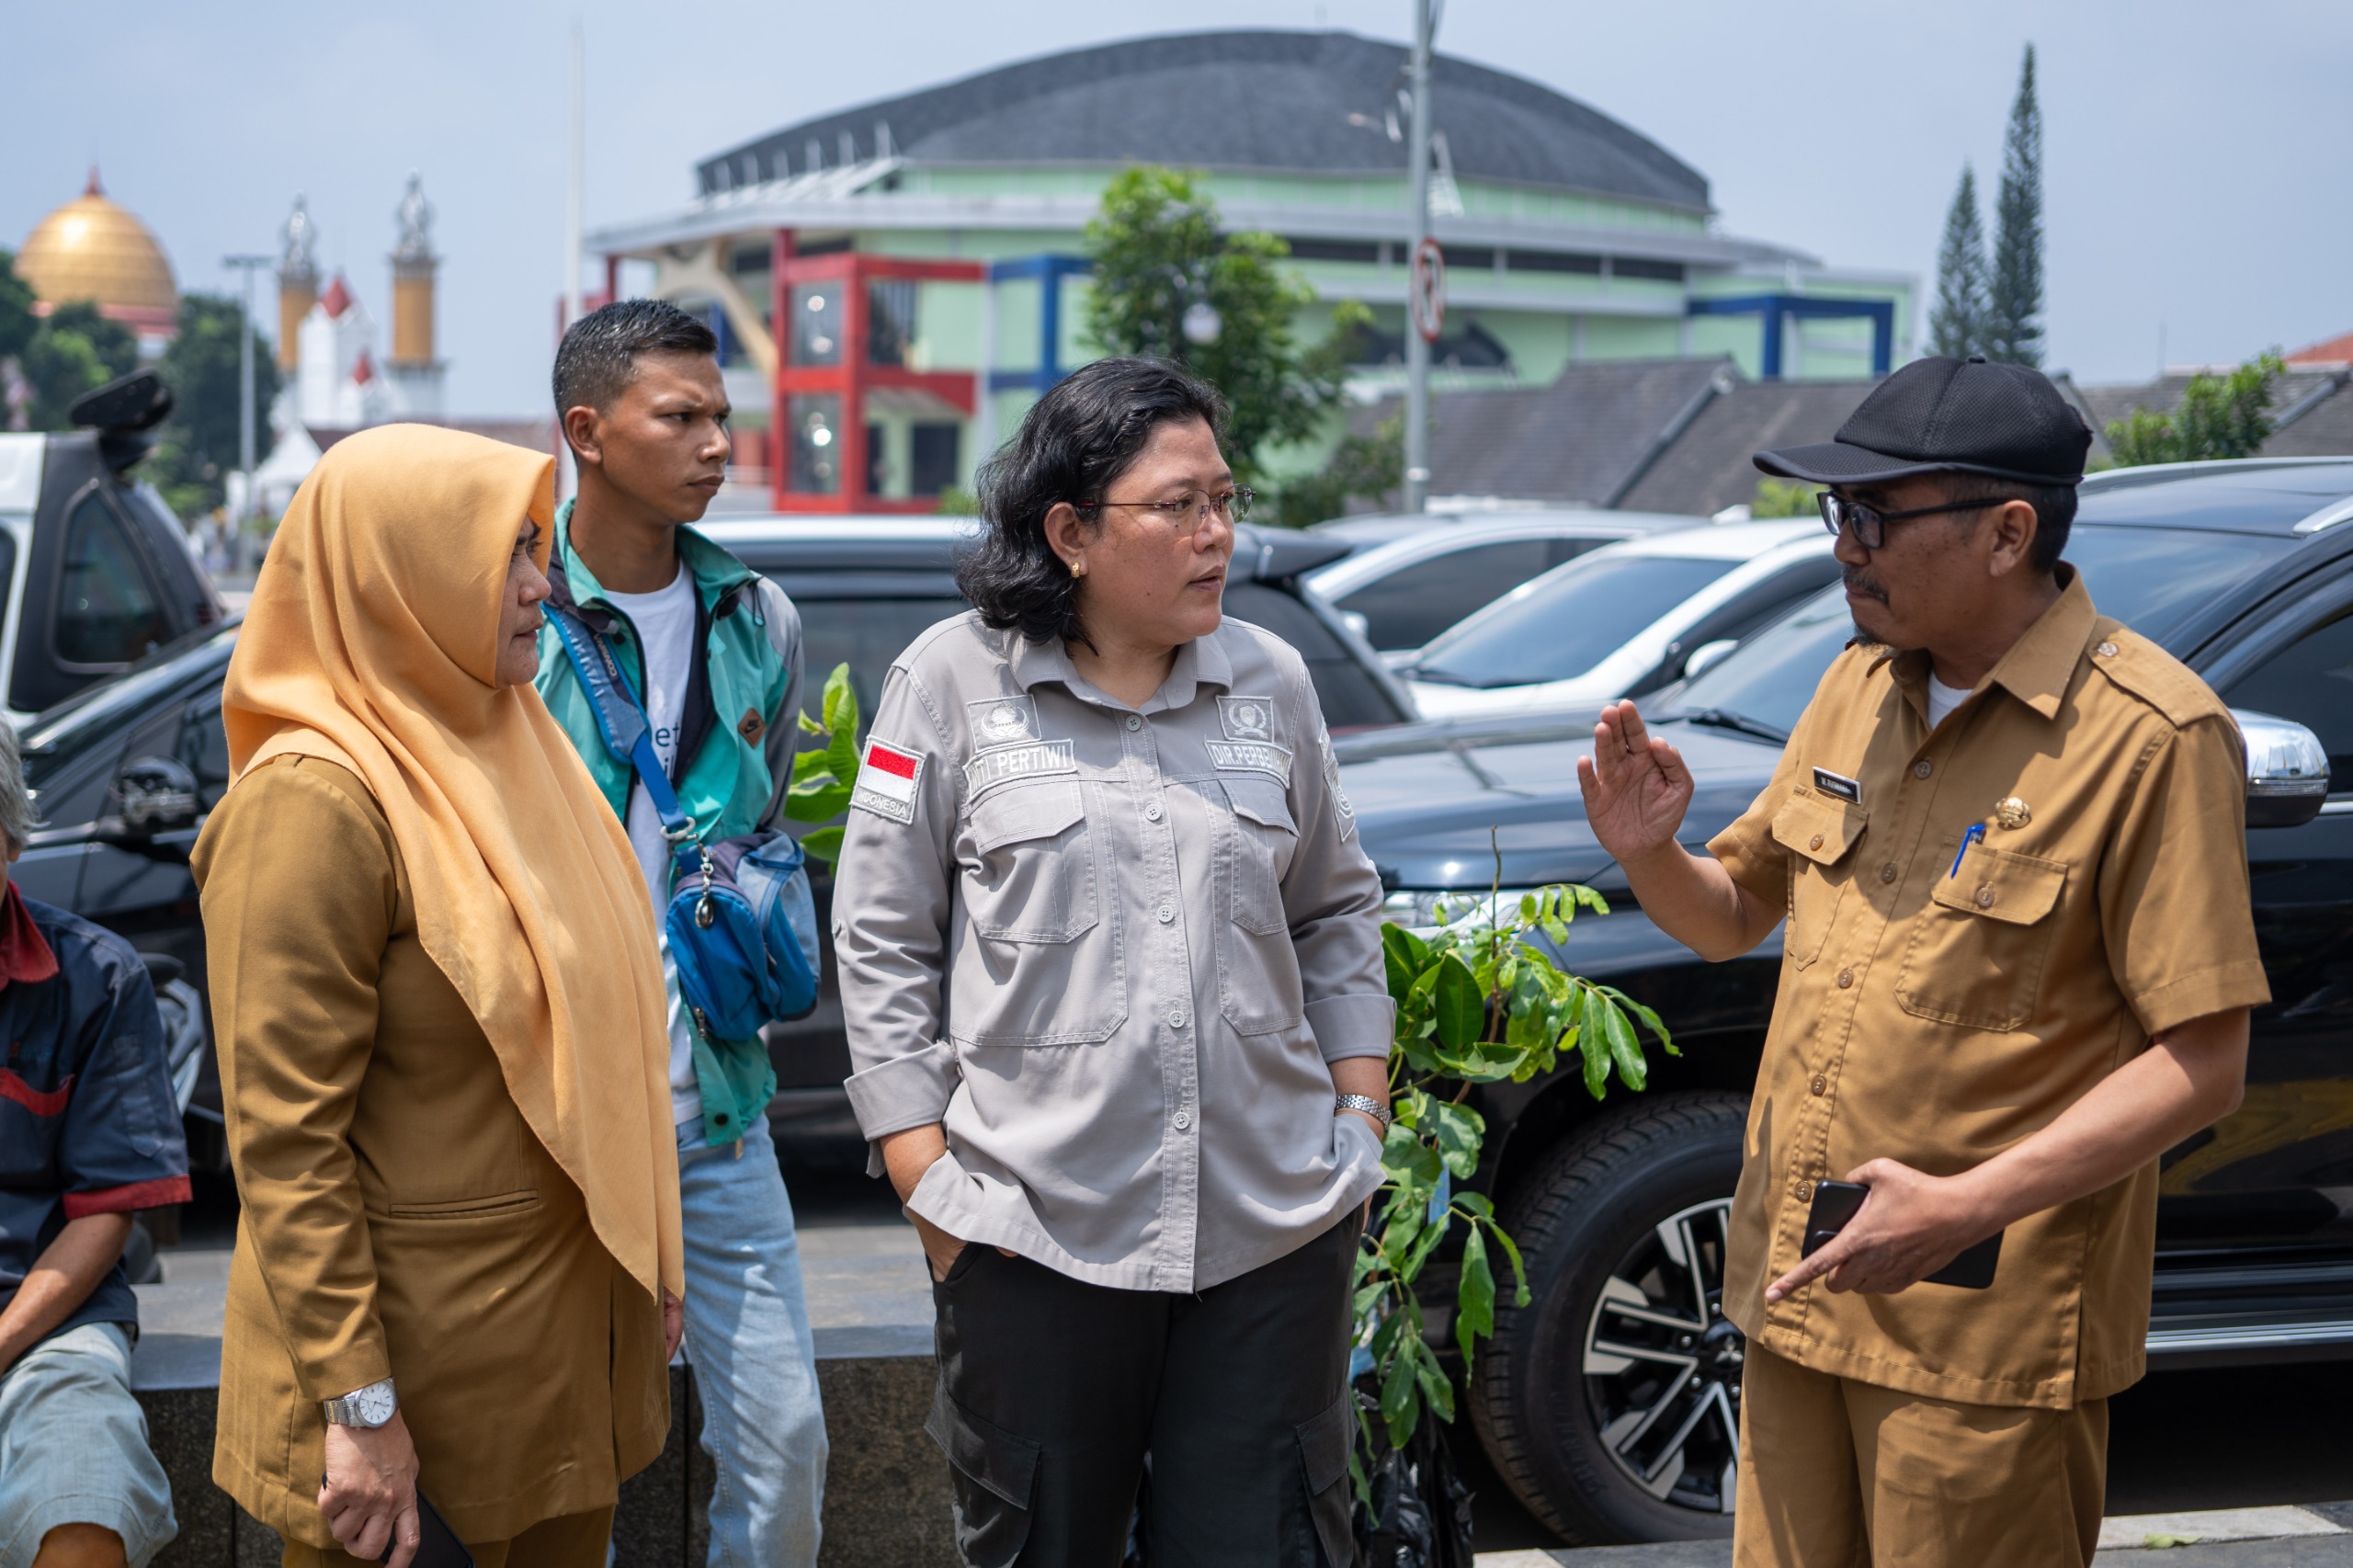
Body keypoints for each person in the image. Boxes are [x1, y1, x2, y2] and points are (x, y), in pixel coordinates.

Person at [1577, 355, 2268, 1568]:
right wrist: (1650, 854)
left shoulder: (2153, 737)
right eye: (1838, 513)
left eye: (1875, 516)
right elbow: (1734, 912)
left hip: (1980, 1331)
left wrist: (1960, 1208)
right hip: (1800, 1292)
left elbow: (2202, 1063)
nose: (1846, 546)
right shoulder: (1856, 689)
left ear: (2009, 532)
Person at [834, 357, 1389, 1566]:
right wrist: (926, 1174)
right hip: (1032, 1236)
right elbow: (879, 931)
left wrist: (1361, 1110)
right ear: (1072, 531)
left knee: (1274, 1541)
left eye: (1226, 501)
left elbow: (1338, 906)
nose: (1217, 536)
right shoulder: (949, 682)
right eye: (1180, 506)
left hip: (1269, 1230)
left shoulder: (1271, 682)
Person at [192, 424, 684, 1568]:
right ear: (396, 571)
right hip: (408, 1413)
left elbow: (607, 1028)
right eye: (504, 555)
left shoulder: (521, 747)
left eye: (534, 548)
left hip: (557, 1374)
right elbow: (283, 1141)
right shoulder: (311, 801)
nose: (539, 586)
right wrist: (360, 1406)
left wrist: (651, 1250)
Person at [537, 299, 825, 1567]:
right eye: (685, 416)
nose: (720, 443)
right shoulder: (516, 608)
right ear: (588, 432)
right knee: (564, 1461)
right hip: (548, 1121)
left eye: (725, 415)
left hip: (715, 1108)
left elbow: (751, 830)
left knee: (789, 1443)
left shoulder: (757, 618)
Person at [0, 722, 187, 1568]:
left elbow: (108, 1208)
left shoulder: (99, 978)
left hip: (46, 1327)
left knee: (85, 1506)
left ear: (8, 838)